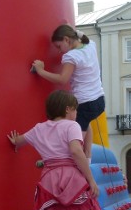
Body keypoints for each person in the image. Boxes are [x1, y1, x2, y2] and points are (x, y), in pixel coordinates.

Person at [31, 25, 105, 162]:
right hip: (99, 100)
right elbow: (81, 36)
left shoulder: (71, 56)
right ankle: (88, 158)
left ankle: (67, 161)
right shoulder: (91, 45)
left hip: (85, 102)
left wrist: (41, 71)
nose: (59, 51)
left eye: (59, 47)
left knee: (75, 141)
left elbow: (62, 79)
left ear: (66, 40)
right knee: (85, 123)